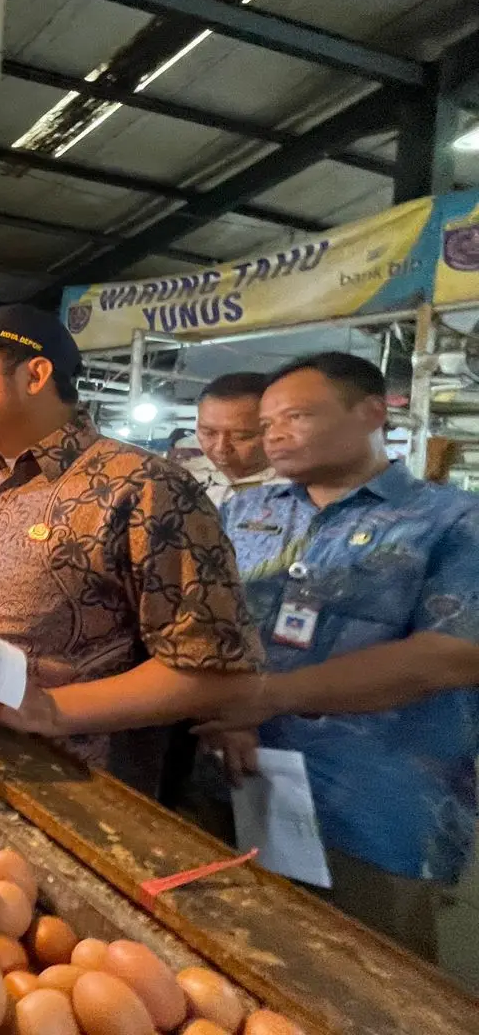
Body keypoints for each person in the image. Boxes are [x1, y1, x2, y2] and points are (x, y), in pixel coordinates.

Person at [0, 304, 263, 795]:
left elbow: (220, 671)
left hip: (74, 792)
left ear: (36, 375)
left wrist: (52, 711)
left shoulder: (144, 486)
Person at [195, 353, 479, 958]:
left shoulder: (453, 522)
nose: (274, 433)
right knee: (225, 950)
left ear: (372, 412)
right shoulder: (247, 512)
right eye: (266, 421)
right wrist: (232, 708)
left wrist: (262, 698)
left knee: (367, 972)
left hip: (373, 805)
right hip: (232, 775)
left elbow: (450, 656)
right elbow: (206, 618)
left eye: (295, 416)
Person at [189, 372, 277, 506]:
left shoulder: (303, 492)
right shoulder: (182, 478)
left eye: (240, 437)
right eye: (208, 433)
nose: (221, 448)